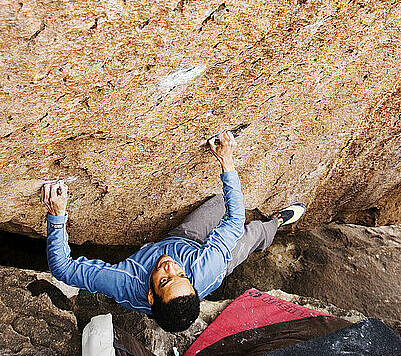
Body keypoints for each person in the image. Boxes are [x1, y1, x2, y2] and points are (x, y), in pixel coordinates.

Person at [41, 130, 306, 333]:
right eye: (180, 276)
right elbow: (235, 221)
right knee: (239, 224)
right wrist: (226, 161)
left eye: (165, 280)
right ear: (191, 284)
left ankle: (273, 225)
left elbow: (63, 268)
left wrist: (56, 215)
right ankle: (275, 225)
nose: (171, 266)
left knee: (248, 228)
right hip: (207, 255)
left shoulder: (125, 282)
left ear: (149, 295)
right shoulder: (206, 268)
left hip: (181, 241)